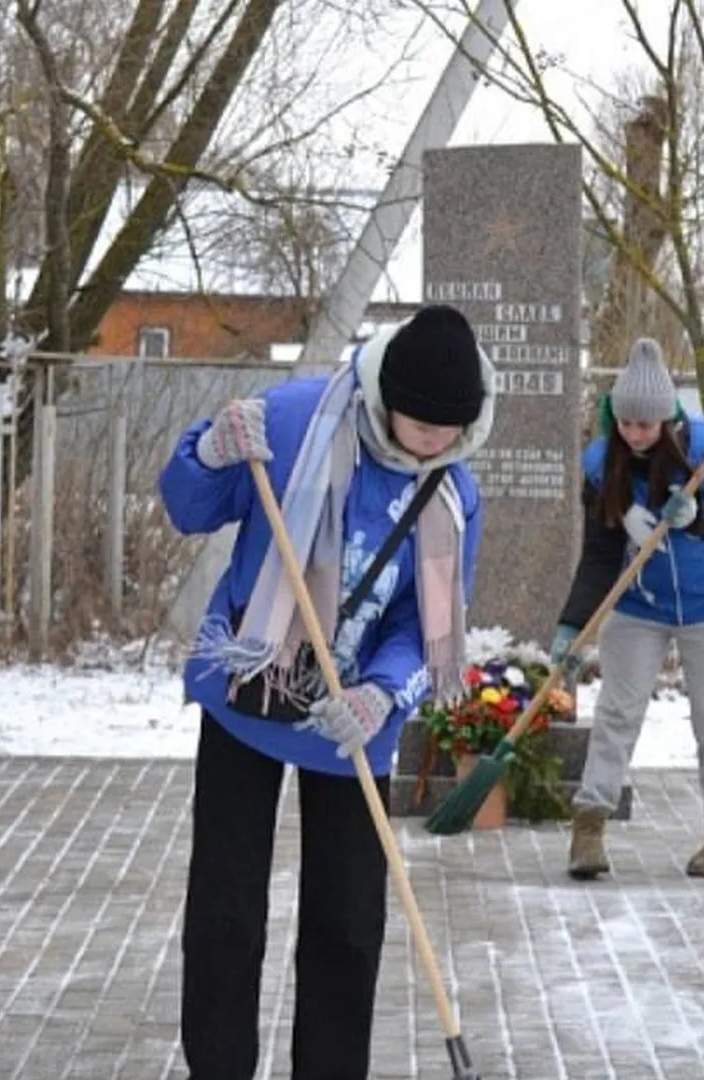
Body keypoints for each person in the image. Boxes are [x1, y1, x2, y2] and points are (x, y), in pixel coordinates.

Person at [157, 304, 493, 1080]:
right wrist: (209, 451)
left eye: (453, 426)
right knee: (226, 912)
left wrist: (382, 694)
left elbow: (427, 622)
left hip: (351, 726)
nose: (435, 438)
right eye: (421, 420)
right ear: (386, 395)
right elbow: (188, 506)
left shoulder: (452, 497)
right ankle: (218, 1066)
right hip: (251, 691)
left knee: (347, 924)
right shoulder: (295, 419)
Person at [548, 337, 704, 881]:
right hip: (638, 602)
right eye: (626, 424)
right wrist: (572, 625)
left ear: (668, 419)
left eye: (646, 425)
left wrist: (698, 518)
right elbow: (598, 554)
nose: (635, 434)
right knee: (617, 712)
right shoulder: (602, 465)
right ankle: (589, 825)